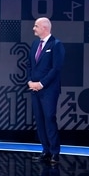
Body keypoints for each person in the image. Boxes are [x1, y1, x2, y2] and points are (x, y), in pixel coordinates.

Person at [27, 17, 65, 165]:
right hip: (34, 88)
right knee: (40, 120)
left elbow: (56, 69)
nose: (33, 28)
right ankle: (46, 150)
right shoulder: (35, 44)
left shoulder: (56, 45)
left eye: (36, 26)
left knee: (49, 119)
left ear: (45, 28)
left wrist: (41, 84)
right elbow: (30, 65)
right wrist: (30, 81)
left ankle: (55, 152)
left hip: (48, 90)